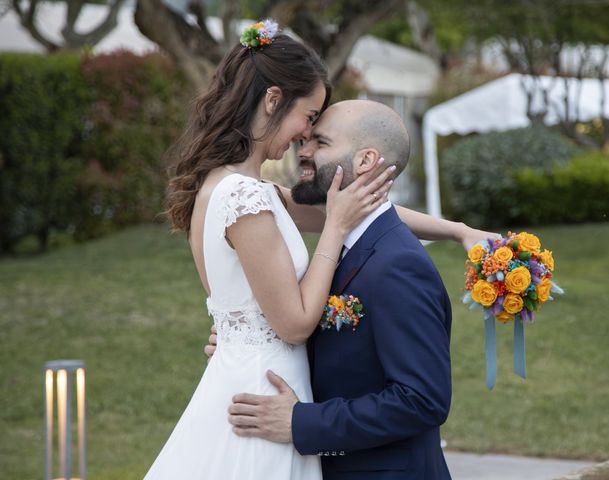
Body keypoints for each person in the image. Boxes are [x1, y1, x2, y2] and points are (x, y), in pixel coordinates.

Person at [148, 20, 490, 480]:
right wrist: (335, 232)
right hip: (262, 395)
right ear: (273, 100)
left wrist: (457, 231)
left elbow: (362, 207)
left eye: (315, 131)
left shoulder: (252, 191)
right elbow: (293, 321)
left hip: (265, 388)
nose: (303, 137)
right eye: (307, 118)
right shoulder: (242, 197)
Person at [226, 99, 453, 479]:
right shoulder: (350, 245)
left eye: (321, 143)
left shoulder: (398, 264)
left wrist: (302, 423)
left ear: (365, 161)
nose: (304, 150)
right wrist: (247, 337)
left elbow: (422, 400)